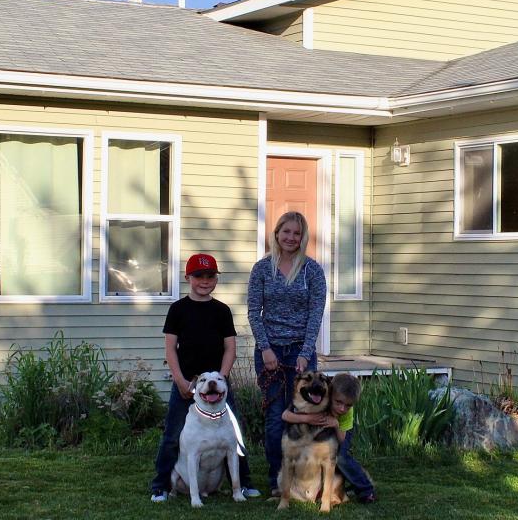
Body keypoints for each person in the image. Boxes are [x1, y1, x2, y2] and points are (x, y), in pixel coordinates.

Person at [150, 253, 261, 503]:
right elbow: (170, 348)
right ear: (188, 277)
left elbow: (230, 348)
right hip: (187, 383)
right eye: (199, 276)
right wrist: (180, 380)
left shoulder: (221, 311)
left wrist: (220, 380)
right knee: (173, 434)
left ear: (216, 279)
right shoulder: (177, 309)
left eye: (210, 276)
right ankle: (161, 485)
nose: (204, 280)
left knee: (235, 435)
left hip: (217, 384)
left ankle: (243, 484)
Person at [247, 211, 327, 495]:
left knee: (303, 417)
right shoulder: (261, 269)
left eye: (297, 233)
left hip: (301, 353)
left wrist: (305, 353)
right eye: (286, 232)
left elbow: (315, 313)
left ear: (302, 237)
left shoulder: (312, 270)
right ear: (277, 233)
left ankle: (304, 479)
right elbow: (254, 313)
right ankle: (276, 480)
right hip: (270, 353)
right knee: (275, 418)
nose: (291, 238)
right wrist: (266, 349)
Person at [282, 373, 376, 504]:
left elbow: (342, 439)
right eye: (338, 402)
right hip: (323, 433)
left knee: (341, 457)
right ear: (330, 393)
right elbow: (286, 415)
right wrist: (307, 418)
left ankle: (366, 489)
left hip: (342, 430)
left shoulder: (347, 413)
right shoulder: (321, 399)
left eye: (348, 405)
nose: (342, 408)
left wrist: (336, 424)